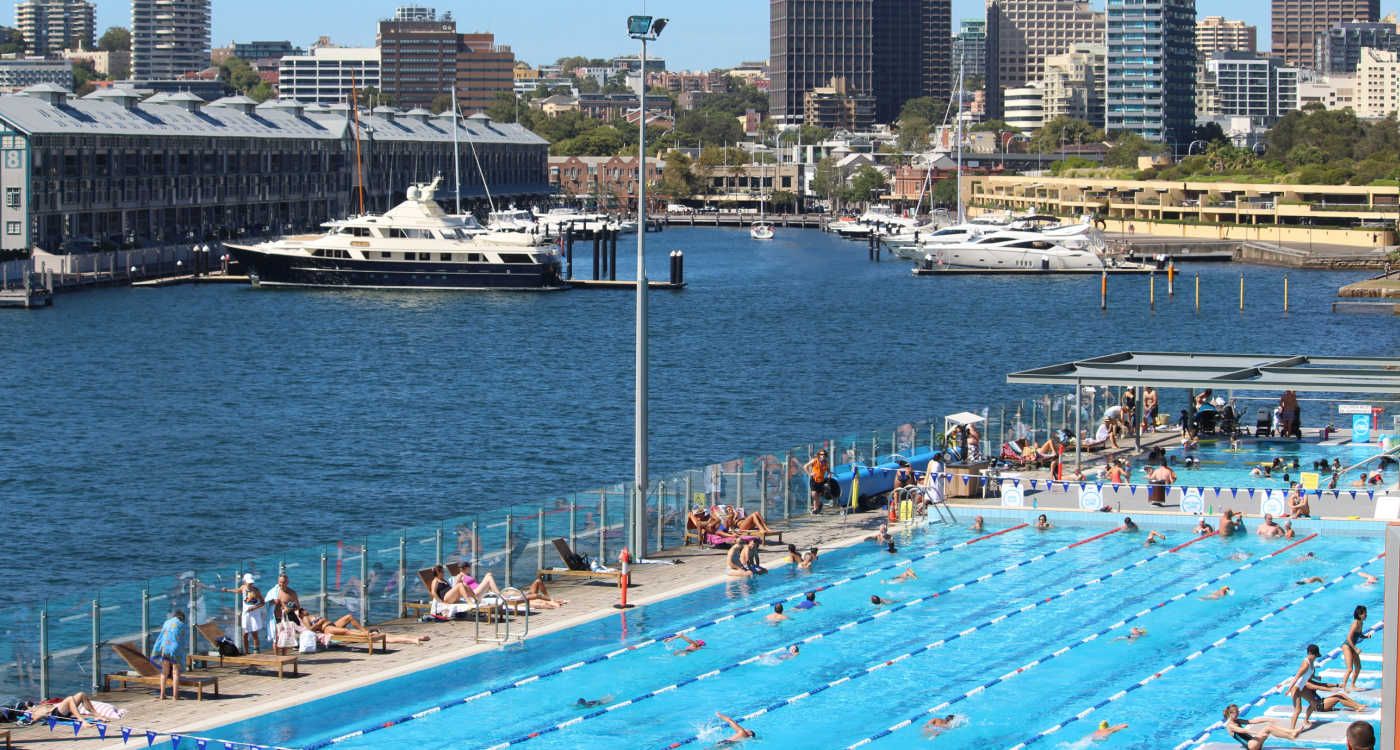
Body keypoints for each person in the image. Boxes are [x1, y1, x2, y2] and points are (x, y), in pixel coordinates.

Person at [1289, 643, 1366, 729]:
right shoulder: (1306, 683)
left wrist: (1337, 685)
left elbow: (1322, 684)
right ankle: (1357, 707)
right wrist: (1331, 690)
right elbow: (1318, 687)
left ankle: (1357, 705)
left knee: (1340, 695)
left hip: (1319, 703)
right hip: (1320, 706)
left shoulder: (1308, 680)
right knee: (1339, 697)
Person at [294, 607, 430, 644]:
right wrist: (318, 623)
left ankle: (364, 631)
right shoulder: (305, 618)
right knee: (347, 631)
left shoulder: (308, 615)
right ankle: (412, 639)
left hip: (332, 623)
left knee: (349, 616)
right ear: (300, 613)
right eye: (302, 610)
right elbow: (310, 630)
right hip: (327, 628)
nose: (304, 609)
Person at [1223, 703, 1303, 749]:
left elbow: (1252, 721)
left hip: (1255, 743)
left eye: (1238, 711)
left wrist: (1267, 719)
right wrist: (1255, 732)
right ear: (1230, 713)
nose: (1238, 713)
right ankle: (1292, 733)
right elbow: (1242, 730)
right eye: (1236, 712)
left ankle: (1291, 735)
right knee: (1268, 728)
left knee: (1269, 727)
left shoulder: (1237, 720)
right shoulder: (1229, 725)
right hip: (1251, 745)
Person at [222, 573, 266, 654]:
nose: (250, 584)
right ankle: (246, 652)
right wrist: (227, 590)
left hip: (254, 614)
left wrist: (254, 607)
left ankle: (256, 652)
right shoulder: (243, 588)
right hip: (246, 614)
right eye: (249, 583)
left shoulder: (256, 590)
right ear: (245, 582)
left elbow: (263, 602)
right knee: (245, 634)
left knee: (254, 634)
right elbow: (237, 590)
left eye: (251, 583)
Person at [149, 611, 188, 700]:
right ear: (182, 618)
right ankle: (175, 696)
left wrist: (157, 649)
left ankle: (162, 695)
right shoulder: (181, 625)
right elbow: (182, 641)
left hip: (165, 648)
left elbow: (161, 637)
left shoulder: (166, 623)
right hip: (175, 650)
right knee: (175, 673)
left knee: (164, 672)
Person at [23, 692, 100, 723]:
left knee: (81, 694)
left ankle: (97, 715)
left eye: (31, 703)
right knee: (69, 698)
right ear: (28, 708)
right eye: (30, 704)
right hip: (56, 714)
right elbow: (34, 719)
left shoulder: (39, 705)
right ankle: (81, 719)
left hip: (59, 710)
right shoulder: (34, 712)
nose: (32, 704)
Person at [1342, 605, 1368, 691]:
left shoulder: (1361, 623)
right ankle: (1343, 687)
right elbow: (1349, 637)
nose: (1366, 615)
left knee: (1358, 667)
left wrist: (1365, 636)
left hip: (1352, 647)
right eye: (1365, 613)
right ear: (1360, 614)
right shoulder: (1355, 623)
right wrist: (1355, 648)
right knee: (1349, 669)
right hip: (1347, 646)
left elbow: (1358, 634)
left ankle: (1352, 685)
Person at [804, 449, 831, 514]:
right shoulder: (815, 460)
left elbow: (828, 471)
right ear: (819, 455)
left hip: (821, 480)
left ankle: (816, 509)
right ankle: (816, 507)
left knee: (817, 495)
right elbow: (805, 466)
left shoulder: (826, 463)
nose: (822, 456)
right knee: (814, 494)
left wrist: (829, 478)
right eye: (821, 454)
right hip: (814, 480)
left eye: (824, 454)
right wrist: (809, 473)